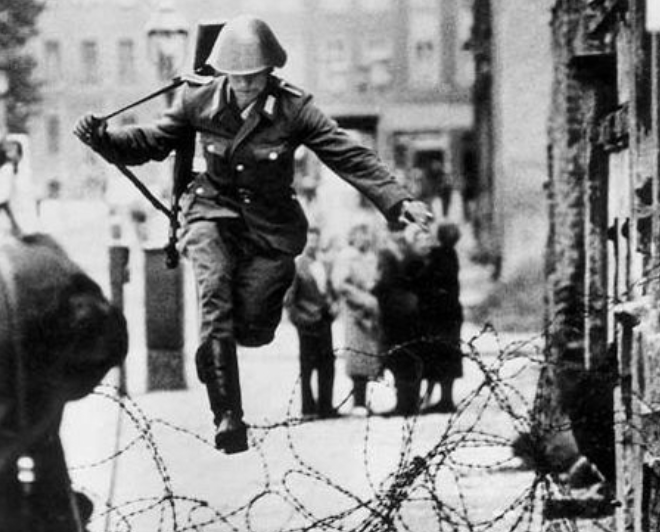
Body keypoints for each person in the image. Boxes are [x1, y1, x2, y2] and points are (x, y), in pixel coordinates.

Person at [73, 15, 431, 453]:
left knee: (255, 328)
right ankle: (228, 416)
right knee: (214, 294)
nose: (244, 85)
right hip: (211, 212)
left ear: (270, 71)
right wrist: (104, 138)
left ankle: (218, 350)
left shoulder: (294, 108)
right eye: (236, 76)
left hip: (270, 228)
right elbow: (152, 141)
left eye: (253, 76)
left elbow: (348, 154)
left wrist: (398, 199)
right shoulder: (197, 99)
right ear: (222, 71)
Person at [0, 234, 128, 532]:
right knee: (38, 438)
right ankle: (55, 511)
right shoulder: (41, 258)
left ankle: (50, 512)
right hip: (51, 316)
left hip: (32, 329)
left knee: (29, 440)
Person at [374, 225, 433, 417]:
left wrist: (376, 290)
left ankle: (406, 404)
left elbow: (386, 283)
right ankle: (408, 403)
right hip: (403, 315)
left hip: (399, 316)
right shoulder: (405, 257)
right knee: (405, 361)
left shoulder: (393, 257)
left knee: (403, 361)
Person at [284, 226, 338, 419]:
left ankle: (326, 406)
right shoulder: (297, 266)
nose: (313, 244)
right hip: (307, 323)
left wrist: (333, 306)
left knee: (327, 365)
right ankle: (308, 408)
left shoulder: (322, 264)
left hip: (324, 320)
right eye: (310, 240)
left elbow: (329, 290)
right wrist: (300, 321)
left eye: (316, 240)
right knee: (307, 366)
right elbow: (289, 300)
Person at [331, 223, 381, 416]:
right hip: (355, 311)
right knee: (357, 354)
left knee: (368, 355)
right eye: (361, 235)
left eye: (367, 235)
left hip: (371, 311)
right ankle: (358, 401)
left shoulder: (369, 257)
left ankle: (364, 400)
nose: (365, 239)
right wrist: (362, 298)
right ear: (353, 237)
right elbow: (340, 283)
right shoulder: (346, 256)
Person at [418, 222, 463, 414]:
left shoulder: (436, 256)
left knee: (435, 355)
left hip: (437, 314)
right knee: (449, 355)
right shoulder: (452, 255)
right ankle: (446, 398)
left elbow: (424, 280)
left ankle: (433, 397)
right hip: (452, 313)